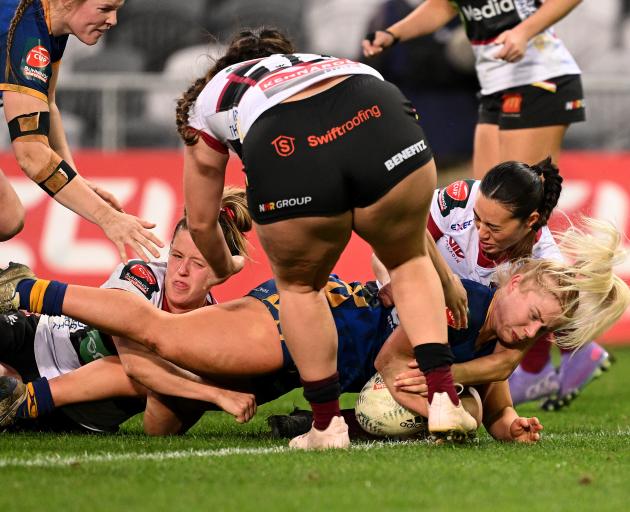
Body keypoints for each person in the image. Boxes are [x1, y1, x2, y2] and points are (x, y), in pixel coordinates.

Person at [0, 217, 627, 442]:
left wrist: (507, 421)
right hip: (294, 326)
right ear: (516, 283)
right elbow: (392, 368)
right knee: (162, 335)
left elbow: (489, 406)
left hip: (295, 371)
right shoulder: (458, 301)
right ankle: (28, 291)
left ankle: (27, 393)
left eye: (545, 329)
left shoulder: (500, 341)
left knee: (159, 413)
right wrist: (463, 385)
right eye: (535, 314)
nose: (530, 333)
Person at [174, 27, 473, 449]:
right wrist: (444, 276)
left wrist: (225, 267)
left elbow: (201, 223)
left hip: (286, 143)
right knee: (406, 260)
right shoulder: (323, 60)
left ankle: (327, 426)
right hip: (375, 106)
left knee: (300, 288)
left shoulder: (213, 98)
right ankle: (443, 396)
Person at [0, 187, 256, 433]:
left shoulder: (211, 324)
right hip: (38, 341)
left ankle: (26, 400)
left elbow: (158, 429)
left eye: (198, 263)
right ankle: (26, 298)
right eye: (176, 256)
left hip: (80, 412)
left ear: (218, 272)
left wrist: (191, 387)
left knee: (157, 377)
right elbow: (135, 364)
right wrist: (216, 394)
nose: (181, 271)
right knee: (148, 366)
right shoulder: (143, 277)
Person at [374, 158, 611, 409]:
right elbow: (388, 243)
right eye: (477, 219)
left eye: (494, 228)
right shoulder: (460, 199)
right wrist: (393, 282)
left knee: (471, 409)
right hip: (397, 316)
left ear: (530, 221)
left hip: (455, 348)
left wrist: (440, 377)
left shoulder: (543, 268)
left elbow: (504, 363)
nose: (481, 232)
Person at [1, 0, 163, 261]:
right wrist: (107, 218)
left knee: (6, 218)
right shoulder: (28, 34)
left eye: (117, 10)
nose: (113, 21)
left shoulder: (50, 23)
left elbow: (47, 104)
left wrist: (74, 178)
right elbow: (31, 155)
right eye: (105, 8)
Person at [362, 0, 585, 178]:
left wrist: (524, 31)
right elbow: (444, 5)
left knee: (520, 206)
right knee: (482, 204)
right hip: (495, 86)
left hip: (539, 80)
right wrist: (393, 34)